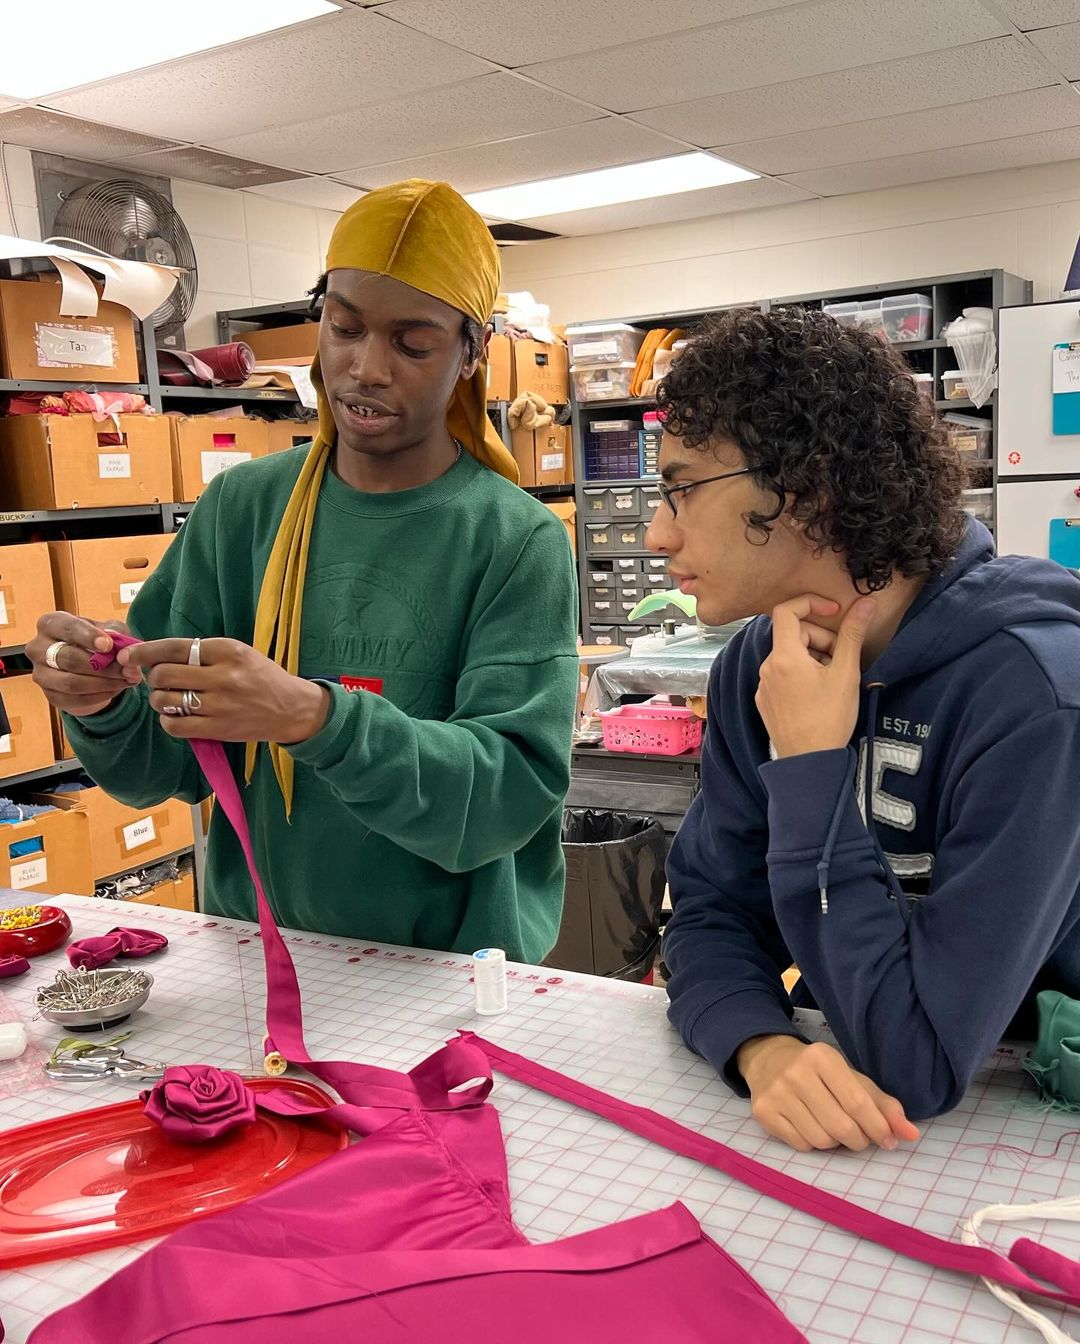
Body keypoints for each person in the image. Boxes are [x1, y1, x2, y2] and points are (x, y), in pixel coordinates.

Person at [28, 180, 579, 961]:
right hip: (258, 954)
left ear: (471, 353)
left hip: (452, 975)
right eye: (344, 328)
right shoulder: (242, 512)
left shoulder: (513, 539)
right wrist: (98, 703)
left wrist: (315, 720)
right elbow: (162, 765)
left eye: (413, 344)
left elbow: (504, 799)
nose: (366, 368)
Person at [648, 306, 1080, 1153]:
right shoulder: (757, 667)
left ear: (804, 492)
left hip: (1034, 1118)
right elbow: (706, 914)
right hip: (895, 1102)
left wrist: (811, 766)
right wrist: (760, 1044)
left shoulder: (1034, 692)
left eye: (682, 488)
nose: (661, 534)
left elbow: (917, 1063)